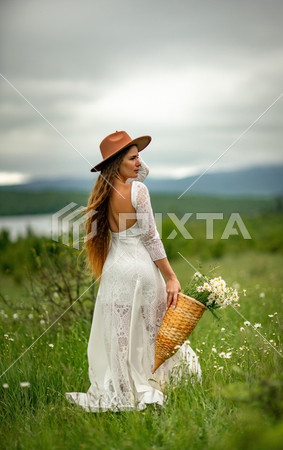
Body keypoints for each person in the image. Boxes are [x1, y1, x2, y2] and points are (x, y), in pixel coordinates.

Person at [65, 131, 201, 412]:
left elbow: (139, 172)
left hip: (114, 270)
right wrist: (171, 277)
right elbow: (151, 238)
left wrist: (130, 158)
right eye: (133, 157)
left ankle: (124, 389)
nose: (140, 163)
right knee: (153, 332)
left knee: (120, 335)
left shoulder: (103, 192)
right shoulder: (138, 191)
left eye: (139, 156)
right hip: (140, 267)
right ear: (118, 162)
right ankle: (155, 382)